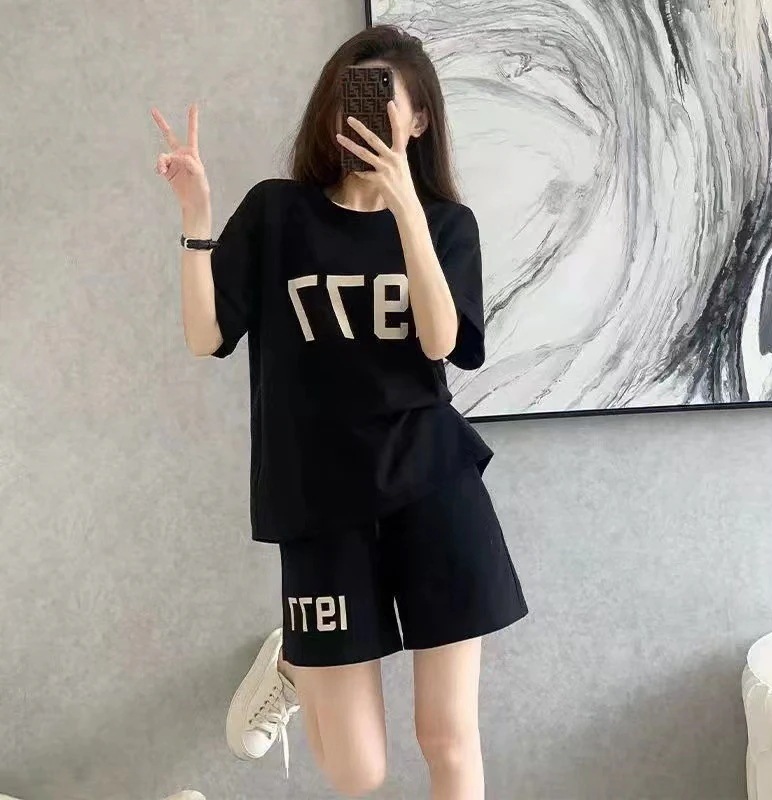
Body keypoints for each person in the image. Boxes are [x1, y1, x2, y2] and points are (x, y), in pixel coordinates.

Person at [151, 24, 527, 800]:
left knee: (448, 739)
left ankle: (303, 664)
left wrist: (405, 208)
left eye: (383, 101)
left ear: (418, 119)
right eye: (345, 99)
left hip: (433, 486)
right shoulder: (278, 214)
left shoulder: (447, 225)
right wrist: (196, 218)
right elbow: (205, 336)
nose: (357, 116)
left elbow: (441, 340)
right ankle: (293, 661)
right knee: (360, 773)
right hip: (318, 500)